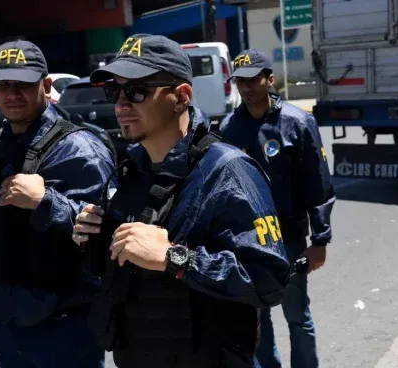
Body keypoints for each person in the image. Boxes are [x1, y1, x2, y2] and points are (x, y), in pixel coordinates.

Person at [71, 34, 291, 368]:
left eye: (137, 91)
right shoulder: (129, 172)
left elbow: (269, 282)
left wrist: (176, 258)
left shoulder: (229, 170)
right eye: (114, 91)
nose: (121, 105)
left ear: (181, 96)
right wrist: (93, 238)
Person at [0, 40, 114, 368]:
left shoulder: (79, 149)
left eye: (23, 85)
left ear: (46, 85)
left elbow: (107, 234)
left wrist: (45, 202)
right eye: (2, 85)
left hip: (61, 324)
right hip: (2, 321)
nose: (12, 94)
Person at [218, 49, 336, 368]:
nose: (246, 87)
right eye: (239, 81)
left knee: (298, 317)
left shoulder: (298, 123)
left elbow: (318, 184)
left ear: (269, 79)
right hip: (247, 245)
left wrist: (320, 240)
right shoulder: (228, 129)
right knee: (258, 325)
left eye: (253, 79)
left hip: (290, 241)